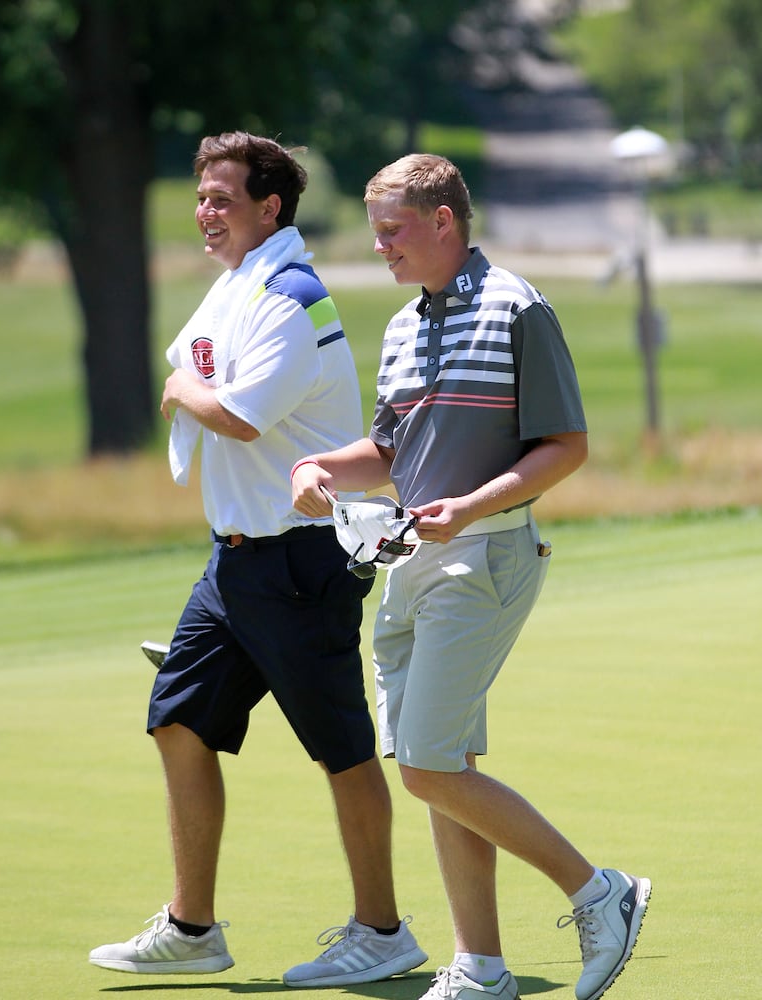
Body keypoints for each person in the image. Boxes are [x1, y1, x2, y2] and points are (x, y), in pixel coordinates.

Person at [291, 153, 651, 1000]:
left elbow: (564, 446)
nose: (380, 247)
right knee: (444, 766)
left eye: (392, 230)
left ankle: (600, 893)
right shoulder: (401, 327)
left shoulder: (518, 309)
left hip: (484, 553)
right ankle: (481, 966)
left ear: (442, 222)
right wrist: (321, 469)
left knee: (423, 765)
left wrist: (467, 506)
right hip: (411, 560)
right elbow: (389, 452)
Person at [88, 132, 426, 986]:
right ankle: (192, 927)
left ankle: (384, 931)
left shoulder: (292, 296)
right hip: (234, 565)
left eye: (222, 199)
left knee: (339, 749)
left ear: (268, 207)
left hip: (300, 561)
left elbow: (233, 412)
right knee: (178, 721)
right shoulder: (236, 286)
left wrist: (181, 394)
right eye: (201, 198)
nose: (206, 213)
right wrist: (189, 386)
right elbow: (192, 363)